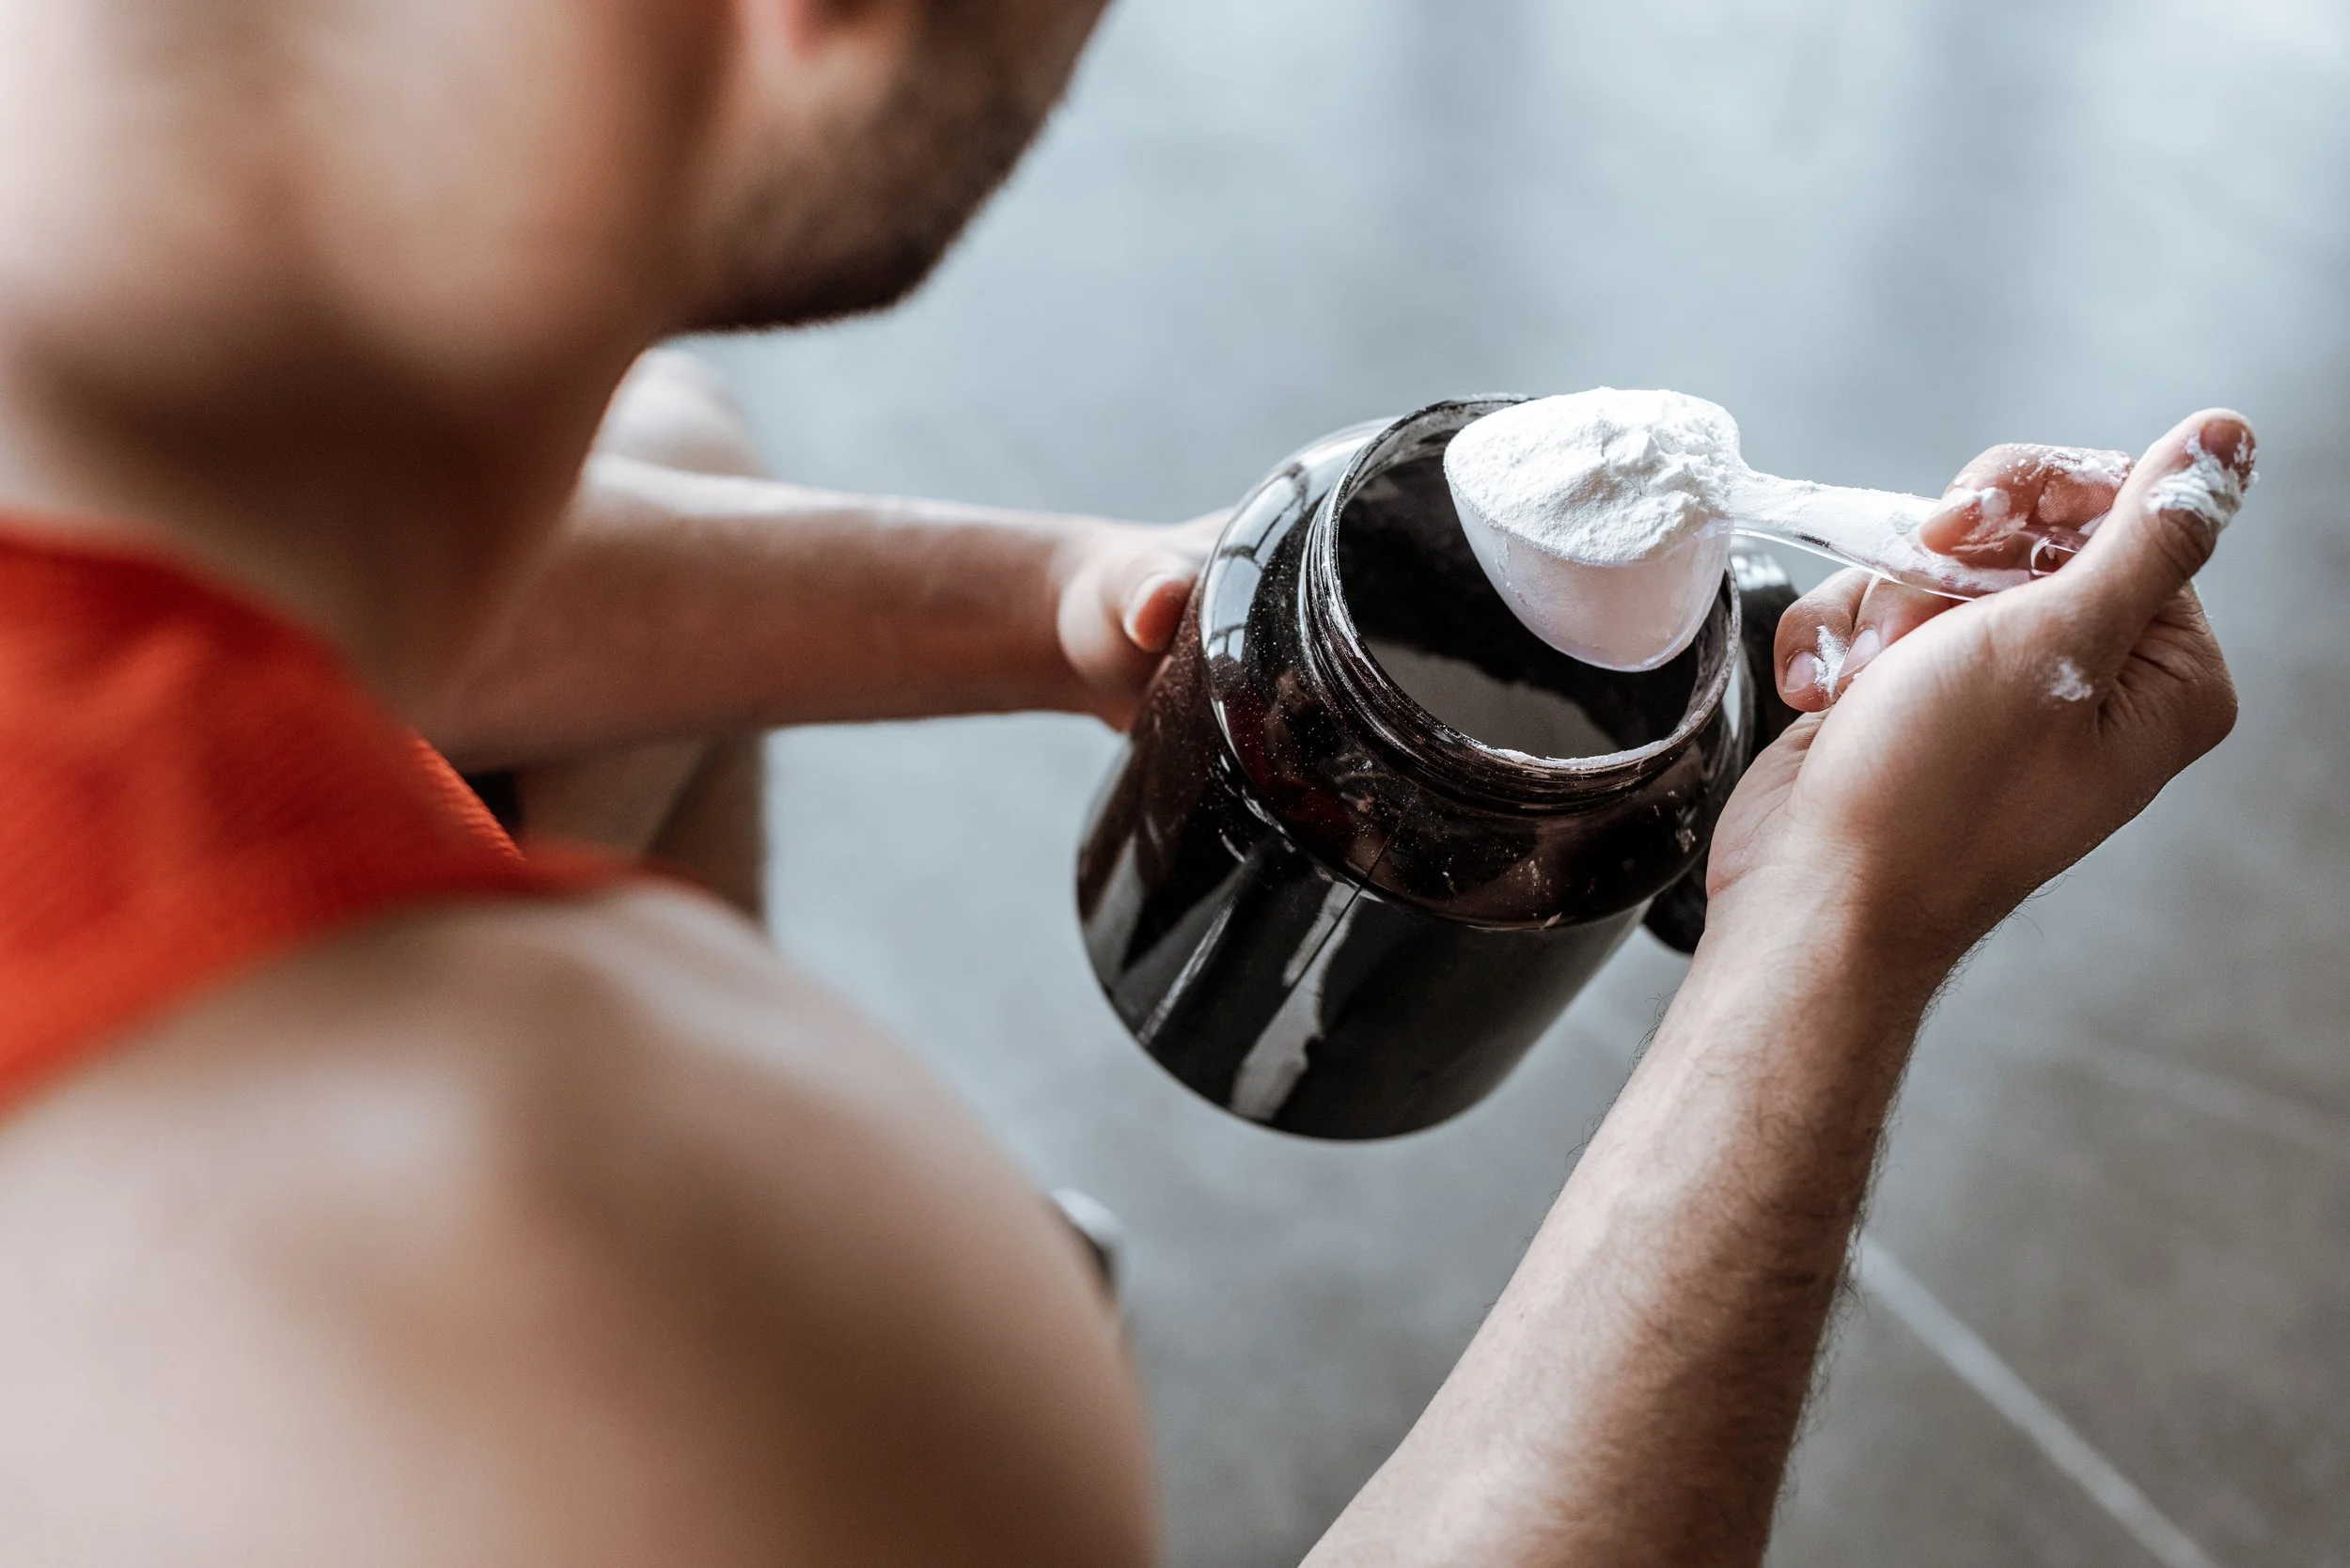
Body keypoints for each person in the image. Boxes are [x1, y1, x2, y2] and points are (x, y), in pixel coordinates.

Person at [0, 0, 2250, 1563]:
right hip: (597, 1353)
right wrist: (1833, 930)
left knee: (666, 444)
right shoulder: (660, 1280)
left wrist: (1074, 590)